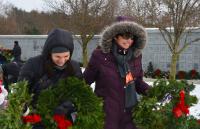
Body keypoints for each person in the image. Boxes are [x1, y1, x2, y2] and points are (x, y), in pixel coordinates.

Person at [83, 21, 150, 129]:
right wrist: (90, 104)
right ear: (115, 36)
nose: (129, 40)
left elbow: (137, 81)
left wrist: (152, 91)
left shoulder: (135, 56)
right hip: (107, 116)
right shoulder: (100, 56)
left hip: (130, 115)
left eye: (132, 37)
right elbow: (84, 82)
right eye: (126, 36)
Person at [18, 28, 82, 128]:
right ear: (49, 53)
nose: (62, 61)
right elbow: (21, 89)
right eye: (57, 56)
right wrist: (24, 106)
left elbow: (79, 92)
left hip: (63, 120)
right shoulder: (33, 64)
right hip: (38, 119)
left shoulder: (74, 67)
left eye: (66, 56)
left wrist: (66, 106)